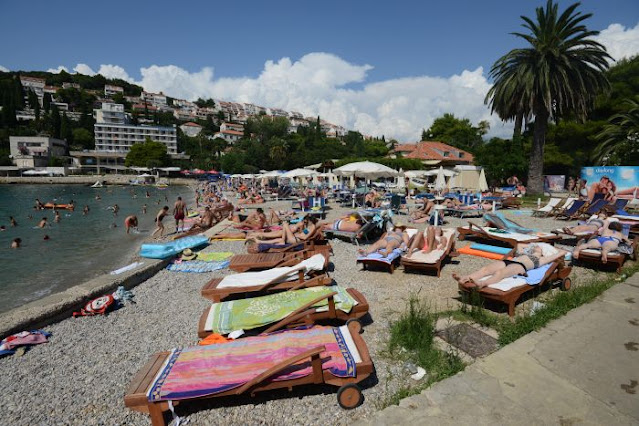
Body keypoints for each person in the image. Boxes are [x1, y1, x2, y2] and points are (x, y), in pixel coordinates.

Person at [453, 244, 566, 288]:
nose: (537, 246)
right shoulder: (525, 253)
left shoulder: (542, 259)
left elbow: (561, 253)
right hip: (509, 261)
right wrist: (531, 245)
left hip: (520, 266)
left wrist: (551, 249)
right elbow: (518, 245)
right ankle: (465, 278)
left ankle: (482, 283)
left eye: (539, 247)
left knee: (500, 273)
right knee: (485, 269)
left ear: (543, 251)